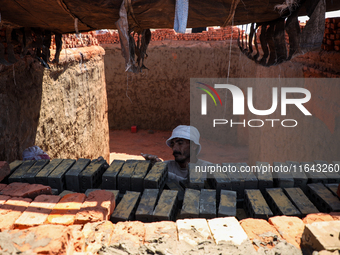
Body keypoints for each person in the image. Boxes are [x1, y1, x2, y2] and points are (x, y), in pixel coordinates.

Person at [142, 125, 210, 183]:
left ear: (194, 146)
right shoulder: (167, 166)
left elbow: (188, 184)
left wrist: (163, 173)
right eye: (172, 144)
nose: (174, 148)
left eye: (180, 143)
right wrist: (153, 168)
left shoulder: (209, 170)